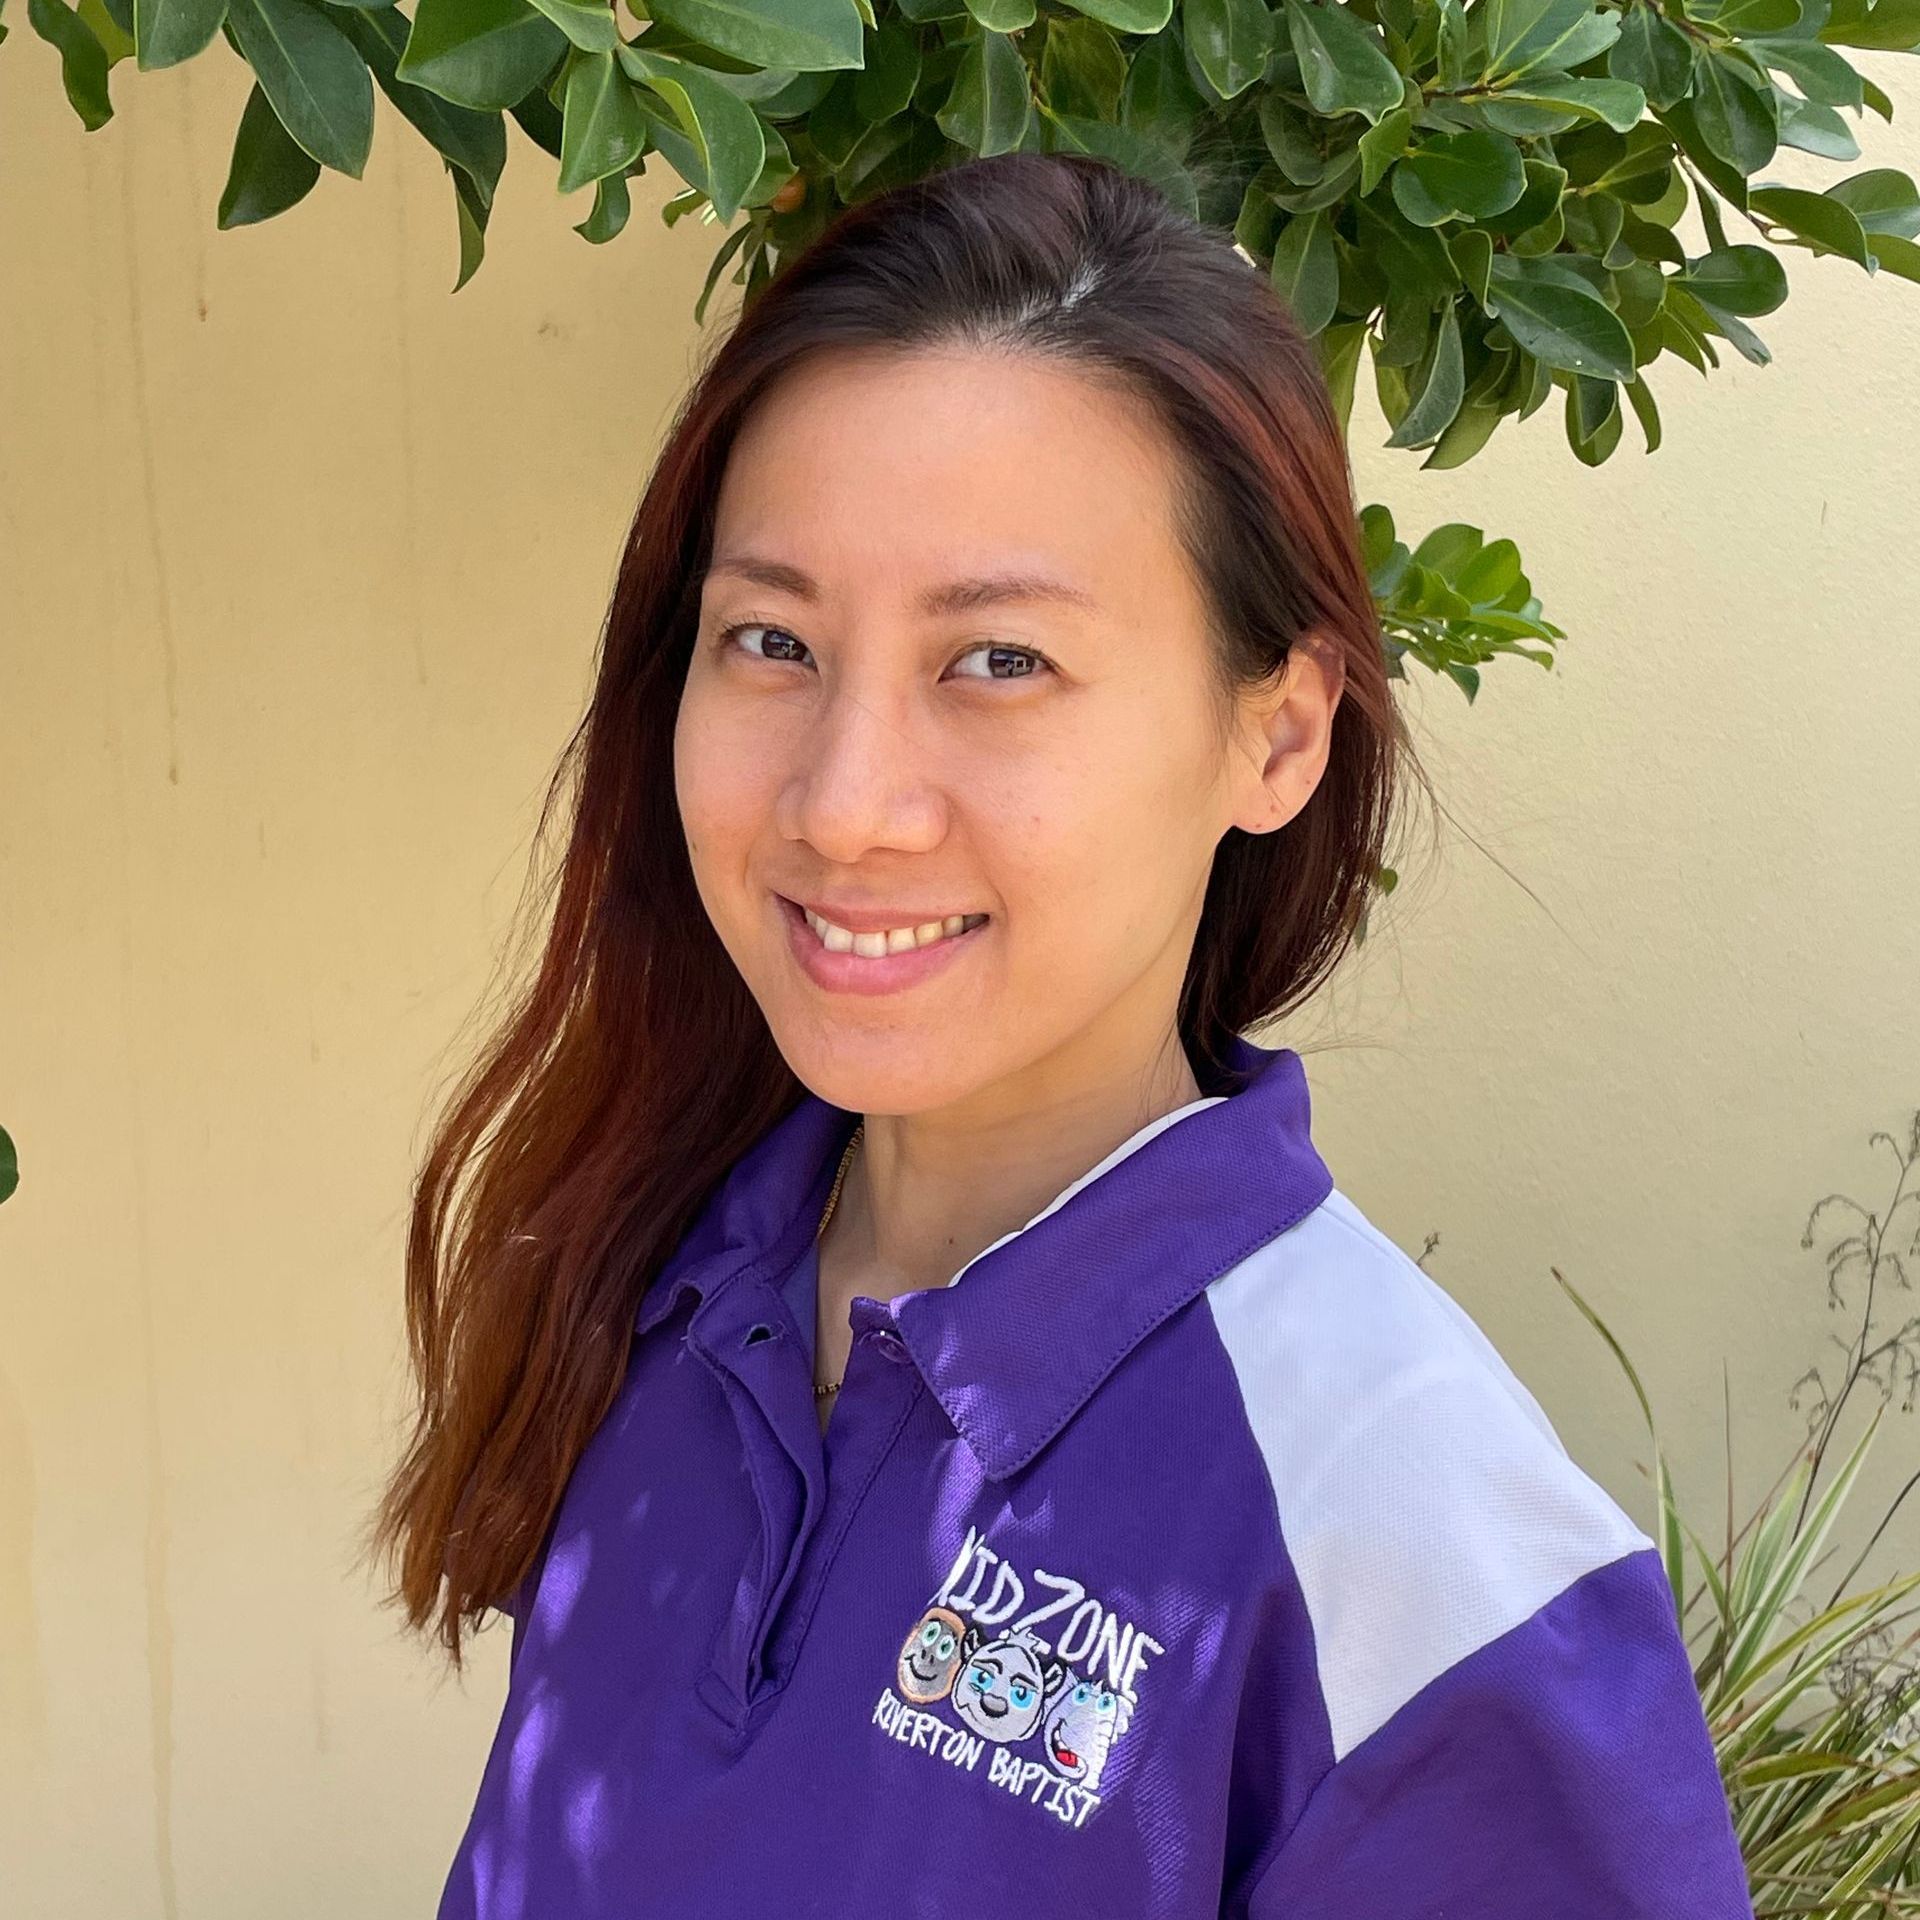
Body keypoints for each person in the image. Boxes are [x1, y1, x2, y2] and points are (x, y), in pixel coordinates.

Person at [372, 151, 1756, 1918]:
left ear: (1278, 735)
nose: (844, 803)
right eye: (773, 638)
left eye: (1001, 661)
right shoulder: (655, 1280)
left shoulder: (1408, 1549)